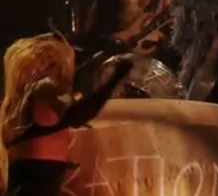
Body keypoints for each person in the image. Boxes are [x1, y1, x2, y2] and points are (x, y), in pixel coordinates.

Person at [0, 32, 132, 196]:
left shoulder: (18, 102)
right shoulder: (42, 91)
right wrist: (115, 78)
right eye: (58, 66)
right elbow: (79, 115)